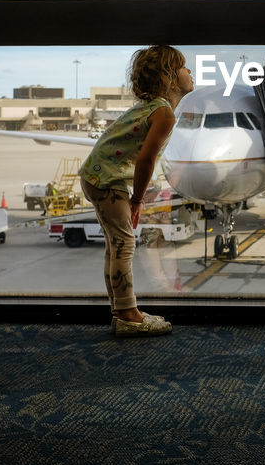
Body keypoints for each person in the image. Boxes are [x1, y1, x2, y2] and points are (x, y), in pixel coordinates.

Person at [79, 45, 194, 336]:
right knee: (123, 245)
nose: (190, 72)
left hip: (97, 176)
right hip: (108, 180)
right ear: (169, 77)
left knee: (116, 246)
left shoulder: (152, 108)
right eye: (184, 67)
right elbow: (146, 159)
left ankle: (123, 311)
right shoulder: (164, 114)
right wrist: (138, 200)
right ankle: (129, 315)